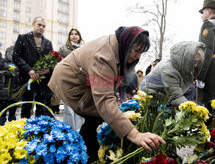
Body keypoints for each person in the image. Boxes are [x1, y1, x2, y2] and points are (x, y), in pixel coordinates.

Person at [48, 26, 166, 163]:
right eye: (137, 50)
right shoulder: (104, 57)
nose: (138, 56)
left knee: (101, 119)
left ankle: (90, 154)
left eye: (142, 52)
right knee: (95, 118)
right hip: (71, 81)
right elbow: (104, 101)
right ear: (127, 43)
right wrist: (135, 135)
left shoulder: (119, 49)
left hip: (84, 80)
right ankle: (85, 157)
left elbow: (110, 87)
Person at [140, 41, 205, 107]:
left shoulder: (180, 68)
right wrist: (194, 110)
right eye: (194, 62)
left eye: (198, 62)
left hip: (161, 98)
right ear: (186, 59)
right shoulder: (169, 70)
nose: (196, 65)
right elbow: (176, 96)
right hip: (149, 99)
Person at [12, 16, 53, 118]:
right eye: (39, 25)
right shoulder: (23, 38)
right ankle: (25, 130)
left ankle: (39, 131)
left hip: (42, 82)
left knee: (41, 109)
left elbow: (52, 61)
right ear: (33, 24)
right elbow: (16, 57)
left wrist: (48, 69)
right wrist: (29, 70)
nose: (41, 27)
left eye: (43, 26)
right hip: (27, 80)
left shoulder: (48, 43)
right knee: (26, 108)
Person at [58, 28, 85, 132]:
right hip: (67, 81)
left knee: (80, 108)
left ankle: (79, 131)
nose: (74, 36)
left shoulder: (84, 48)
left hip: (81, 83)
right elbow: (59, 65)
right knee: (68, 109)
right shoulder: (63, 49)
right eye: (72, 34)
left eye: (76, 34)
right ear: (69, 36)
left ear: (79, 36)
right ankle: (69, 131)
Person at [0, 46, 20, 125]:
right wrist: (4, 73)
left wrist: (14, 74)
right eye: (10, 53)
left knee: (12, 114)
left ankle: (12, 128)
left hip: (14, 93)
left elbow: (19, 75)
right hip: (2, 93)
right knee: (2, 113)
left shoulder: (18, 63)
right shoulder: (3, 62)